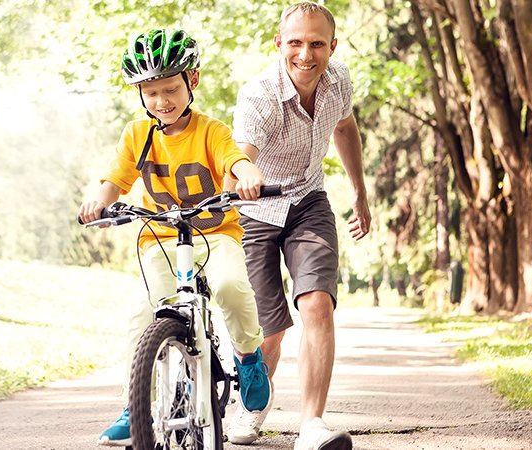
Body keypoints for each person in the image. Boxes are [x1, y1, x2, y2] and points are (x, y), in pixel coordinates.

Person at [77, 28, 271, 446]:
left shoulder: (210, 130)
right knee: (141, 316)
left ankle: (250, 358)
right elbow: (115, 179)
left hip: (213, 233)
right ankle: (137, 405)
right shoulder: (136, 135)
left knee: (230, 286)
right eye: (150, 93)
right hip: (161, 241)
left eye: (170, 89)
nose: (161, 101)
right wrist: (99, 200)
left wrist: (247, 174)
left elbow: (233, 159)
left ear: (192, 82)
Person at [226, 3, 371, 450]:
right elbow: (240, 156)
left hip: (308, 202)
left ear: (332, 45)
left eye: (316, 44)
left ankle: (311, 424)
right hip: (255, 212)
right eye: (295, 42)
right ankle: (252, 409)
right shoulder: (260, 96)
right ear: (278, 43)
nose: (305, 54)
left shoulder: (338, 81)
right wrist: (244, 173)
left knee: (317, 305)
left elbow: (345, 129)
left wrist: (359, 191)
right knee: (268, 330)